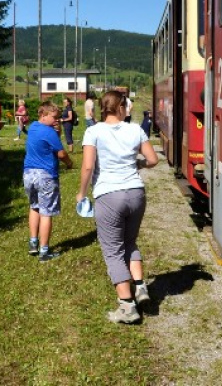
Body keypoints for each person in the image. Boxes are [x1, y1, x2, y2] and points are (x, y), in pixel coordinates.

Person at [76, 90, 159, 324]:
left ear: (103, 108)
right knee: (130, 242)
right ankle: (140, 287)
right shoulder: (135, 129)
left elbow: (88, 166)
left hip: (109, 195)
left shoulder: (93, 131)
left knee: (112, 250)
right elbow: (153, 160)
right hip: (136, 193)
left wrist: (81, 193)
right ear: (121, 107)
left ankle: (127, 307)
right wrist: (139, 165)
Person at [24, 101, 73, 262]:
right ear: (43, 115)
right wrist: (69, 163)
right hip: (45, 176)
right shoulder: (49, 132)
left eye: (58, 117)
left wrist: (57, 131)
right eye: (54, 117)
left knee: (34, 207)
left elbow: (47, 144)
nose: (57, 120)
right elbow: (61, 153)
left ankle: (33, 243)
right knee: (46, 212)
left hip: (29, 174)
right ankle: (44, 251)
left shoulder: (33, 127)